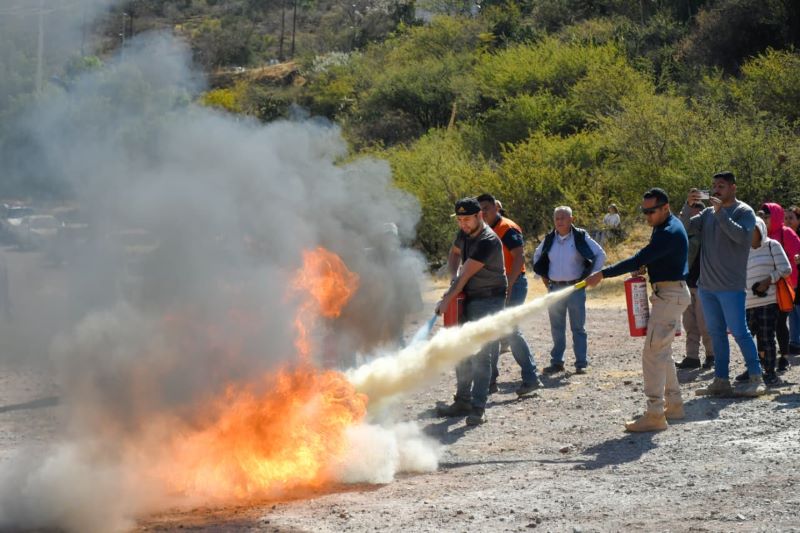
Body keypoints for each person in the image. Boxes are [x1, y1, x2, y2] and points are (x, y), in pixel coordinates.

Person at [586, 188, 689, 432]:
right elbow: (654, 257)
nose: (647, 216)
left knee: (652, 354)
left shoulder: (669, 231)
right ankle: (674, 405)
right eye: (644, 211)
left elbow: (638, 258)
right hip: (670, 294)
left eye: (651, 211)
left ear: (666, 208)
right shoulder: (664, 226)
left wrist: (603, 274)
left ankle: (655, 414)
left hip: (670, 296)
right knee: (661, 352)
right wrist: (649, 265)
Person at [681, 171, 764, 397]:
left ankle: (756, 377)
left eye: (721, 186)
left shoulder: (744, 211)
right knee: (716, 333)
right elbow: (686, 228)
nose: (716, 190)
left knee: (740, 332)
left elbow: (742, 238)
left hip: (731, 286)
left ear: (733, 188)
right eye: (714, 186)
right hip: (706, 286)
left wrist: (721, 214)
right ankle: (721, 380)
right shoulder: (707, 212)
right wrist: (688, 206)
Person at [435, 197, 507, 426]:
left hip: (489, 299)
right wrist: (452, 277)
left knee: (481, 353)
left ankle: (478, 408)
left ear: (480, 216)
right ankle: (462, 401)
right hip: (468, 296)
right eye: (459, 220)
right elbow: (455, 254)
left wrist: (447, 298)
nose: (462, 224)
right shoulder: (464, 233)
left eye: (466, 219)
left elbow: (466, 274)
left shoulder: (488, 241)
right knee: (461, 348)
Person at [476, 193, 542, 396]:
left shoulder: (507, 228)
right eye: (480, 210)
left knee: (511, 330)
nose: (483, 213)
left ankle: (531, 378)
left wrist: (508, 286)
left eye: (486, 209)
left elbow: (519, 257)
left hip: (514, 283)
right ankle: (490, 381)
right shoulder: (483, 230)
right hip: (494, 285)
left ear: (496, 207)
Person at [533, 206, 606, 374]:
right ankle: (557, 363)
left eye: (563, 218)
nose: (559, 221)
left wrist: (593, 275)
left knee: (578, 328)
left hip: (576, 288)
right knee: (556, 328)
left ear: (572, 219)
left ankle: (581, 363)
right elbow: (537, 255)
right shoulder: (549, 238)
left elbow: (600, 254)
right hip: (554, 289)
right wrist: (542, 276)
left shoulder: (581, 236)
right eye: (557, 218)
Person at [739, 216, 792, 386]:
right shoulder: (742, 250)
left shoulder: (772, 245)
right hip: (747, 303)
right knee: (747, 339)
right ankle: (753, 369)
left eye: (752, 228)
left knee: (767, 338)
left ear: (760, 229)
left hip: (768, 302)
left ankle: (770, 372)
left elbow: (786, 269)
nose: (748, 232)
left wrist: (768, 280)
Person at [760, 202, 800, 371]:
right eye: (762, 216)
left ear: (775, 216)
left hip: (785, 285)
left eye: (767, 216)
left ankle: (784, 357)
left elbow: (797, 258)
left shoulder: (786, 233)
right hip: (765, 287)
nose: (764, 219)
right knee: (764, 324)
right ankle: (764, 359)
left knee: (780, 323)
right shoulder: (760, 234)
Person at [675, 201, 715, 370]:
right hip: (686, 283)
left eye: (697, 215)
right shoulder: (682, 236)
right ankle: (692, 357)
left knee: (705, 324)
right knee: (689, 323)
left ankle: (712, 355)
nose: (693, 219)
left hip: (704, 285)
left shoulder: (710, 236)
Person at [785, 205, 800, 355]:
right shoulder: (784, 236)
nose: (788, 221)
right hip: (789, 282)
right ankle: (794, 342)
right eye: (786, 218)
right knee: (793, 313)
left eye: (791, 218)